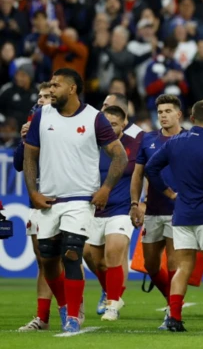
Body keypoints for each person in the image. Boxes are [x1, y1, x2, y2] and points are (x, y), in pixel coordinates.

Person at [23, 68, 127, 332]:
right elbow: (30, 156)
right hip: (49, 199)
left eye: (56, 85)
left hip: (80, 200)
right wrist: (33, 193)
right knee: (47, 259)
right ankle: (63, 306)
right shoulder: (40, 116)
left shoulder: (94, 118)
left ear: (72, 89)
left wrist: (105, 189)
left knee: (71, 253)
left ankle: (72, 316)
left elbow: (120, 156)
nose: (52, 89)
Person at [145, 100, 203, 332]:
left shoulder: (174, 143)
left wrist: (169, 192)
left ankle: (175, 318)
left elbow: (151, 168)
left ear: (191, 116)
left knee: (183, 267)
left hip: (182, 213)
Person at [130, 94, 185, 329]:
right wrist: (135, 202)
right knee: (151, 265)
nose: (163, 115)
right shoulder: (147, 140)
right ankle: (170, 301)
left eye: (168, 111)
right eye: (160, 111)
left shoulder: (189, 139)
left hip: (179, 211)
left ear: (178, 114)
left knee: (174, 263)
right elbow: (137, 174)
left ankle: (174, 315)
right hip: (152, 210)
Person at [86, 105, 143, 321]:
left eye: (114, 124)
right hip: (95, 210)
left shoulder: (134, 145)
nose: (110, 129)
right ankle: (109, 291)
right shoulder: (91, 146)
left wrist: (139, 202)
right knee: (93, 257)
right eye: (106, 125)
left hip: (122, 208)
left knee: (113, 253)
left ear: (123, 124)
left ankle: (112, 304)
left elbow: (142, 173)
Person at [17, 83, 65, 331]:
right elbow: (18, 164)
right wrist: (24, 140)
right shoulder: (32, 125)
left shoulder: (66, 124)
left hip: (65, 199)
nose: (42, 100)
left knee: (69, 255)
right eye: (40, 96)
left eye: (47, 96)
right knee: (43, 260)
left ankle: (72, 308)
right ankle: (43, 318)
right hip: (37, 200)